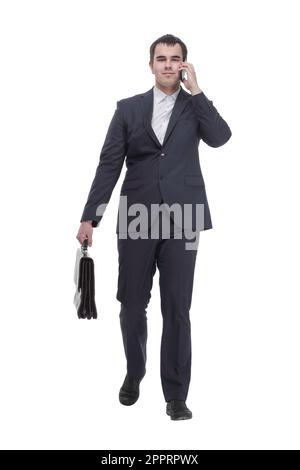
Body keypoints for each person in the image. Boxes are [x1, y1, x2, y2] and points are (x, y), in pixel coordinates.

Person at [76, 34, 232, 420]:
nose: (167, 64)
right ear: (150, 65)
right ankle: (135, 369)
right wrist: (90, 216)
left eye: (174, 59)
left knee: (177, 307)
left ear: (184, 65)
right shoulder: (128, 109)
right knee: (131, 304)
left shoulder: (196, 107)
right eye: (160, 58)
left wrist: (197, 92)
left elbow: (221, 138)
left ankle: (176, 395)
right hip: (136, 216)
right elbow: (109, 163)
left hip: (184, 217)